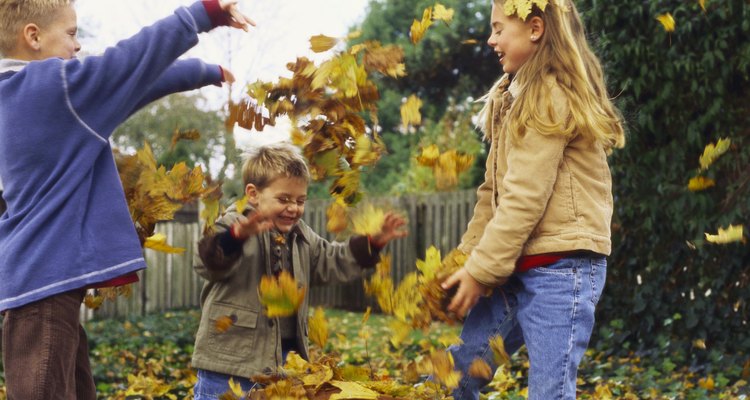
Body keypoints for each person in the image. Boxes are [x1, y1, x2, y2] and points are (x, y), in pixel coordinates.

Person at [0, 1, 253, 398]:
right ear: (32, 37)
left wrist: (201, 73)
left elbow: (130, 85)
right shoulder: (52, 87)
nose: (78, 45)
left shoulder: (16, 96)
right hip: (42, 289)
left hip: (42, 286)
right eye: (70, 34)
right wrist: (200, 14)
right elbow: (125, 64)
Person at [440, 0, 626, 399]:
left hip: (563, 270)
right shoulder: (509, 98)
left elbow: (525, 199)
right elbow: (492, 193)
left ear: (535, 29)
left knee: (549, 390)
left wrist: (481, 270)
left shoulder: (549, 97)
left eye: (498, 29)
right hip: (514, 267)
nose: (491, 40)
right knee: (459, 372)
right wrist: (468, 259)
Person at [191, 143, 407, 399]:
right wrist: (237, 237)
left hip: (283, 359)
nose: (293, 207)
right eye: (283, 199)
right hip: (229, 360)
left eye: (300, 200)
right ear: (253, 194)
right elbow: (206, 262)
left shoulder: (302, 236)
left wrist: (372, 244)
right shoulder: (234, 224)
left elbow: (332, 260)